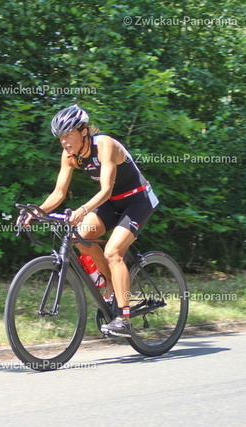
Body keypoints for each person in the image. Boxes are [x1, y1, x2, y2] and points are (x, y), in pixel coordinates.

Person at [24, 104, 159, 337]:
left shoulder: (105, 145)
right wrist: (36, 212)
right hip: (112, 202)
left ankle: (124, 318)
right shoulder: (70, 157)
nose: (64, 142)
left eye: (69, 135)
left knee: (113, 252)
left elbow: (106, 190)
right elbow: (58, 193)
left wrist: (82, 210)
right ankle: (111, 283)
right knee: (80, 237)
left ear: (83, 131)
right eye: (60, 137)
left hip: (138, 200)